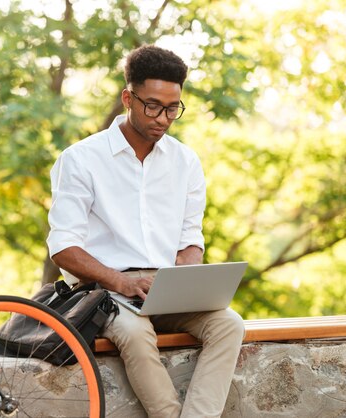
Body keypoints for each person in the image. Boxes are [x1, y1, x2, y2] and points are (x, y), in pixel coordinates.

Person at [46, 44, 244, 418]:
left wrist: (185, 277)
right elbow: (64, 247)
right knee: (136, 335)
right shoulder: (81, 160)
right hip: (104, 292)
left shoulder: (185, 161)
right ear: (128, 98)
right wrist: (119, 282)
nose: (163, 118)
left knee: (229, 324)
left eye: (173, 108)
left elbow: (190, 241)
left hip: (166, 289)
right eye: (153, 105)